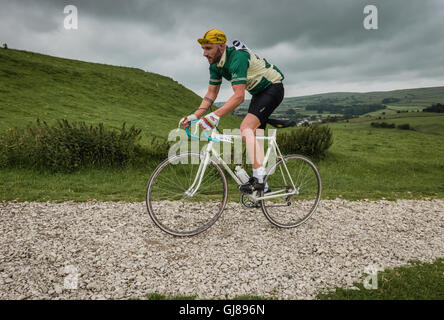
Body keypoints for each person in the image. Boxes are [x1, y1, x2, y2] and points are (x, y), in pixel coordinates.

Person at [180, 29, 284, 193]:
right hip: (258, 94)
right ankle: (263, 189)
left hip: (272, 88)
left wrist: (214, 115)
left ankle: (260, 180)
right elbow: (211, 94)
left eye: (208, 48)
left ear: (221, 46)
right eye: (203, 49)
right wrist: (195, 115)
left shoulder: (237, 58)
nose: (204, 53)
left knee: (245, 128)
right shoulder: (215, 65)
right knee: (252, 140)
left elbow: (239, 96)